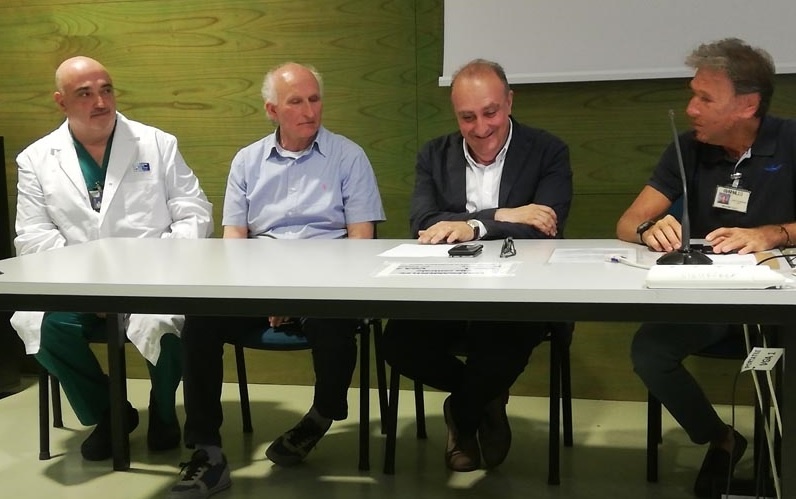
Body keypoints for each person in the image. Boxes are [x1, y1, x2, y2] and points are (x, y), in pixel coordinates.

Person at [169, 62, 385, 498]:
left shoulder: (348, 156)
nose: (310, 110)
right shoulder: (247, 161)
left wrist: (297, 294)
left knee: (333, 323)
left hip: (327, 284)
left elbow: (361, 243)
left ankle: (319, 417)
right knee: (200, 320)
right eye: (296, 102)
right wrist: (261, 292)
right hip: (258, 285)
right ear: (272, 110)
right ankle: (207, 451)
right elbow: (234, 241)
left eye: (315, 99)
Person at [616, 38, 796, 497]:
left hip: (782, 298)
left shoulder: (791, 141)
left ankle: (783, 459)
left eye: (705, 98)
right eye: (692, 95)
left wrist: (774, 233)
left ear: (747, 105)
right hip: (710, 296)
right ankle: (721, 439)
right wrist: (649, 230)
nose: (691, 109)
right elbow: (628, 222)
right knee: (649, 351)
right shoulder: (688, 148)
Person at [10, 56, 213, 461]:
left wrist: (152, 268)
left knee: (165, 326)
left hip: (153, 278)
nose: (100, 102)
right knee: (44, 328)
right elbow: (32, 237)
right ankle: (111, 412)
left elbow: (194, 212)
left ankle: (163, 411)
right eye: (85, 94)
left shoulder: (157, 144)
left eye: (106, 90)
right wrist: (92, 284)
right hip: (75, 283)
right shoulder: (36, 158)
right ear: (61, 101)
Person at [381, 59, 573, 472]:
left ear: (509, 102)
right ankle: (485, 397)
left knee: (503, 339)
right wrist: (502, 215)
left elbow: (545, 226)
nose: (481, 127)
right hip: (445, 287)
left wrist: (470, 225)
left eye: (491, 112)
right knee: (397, 343)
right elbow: (423, 223)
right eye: (467, 117)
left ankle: (463, 412)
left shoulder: (548, 151)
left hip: (519, 290)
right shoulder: (434, 155)